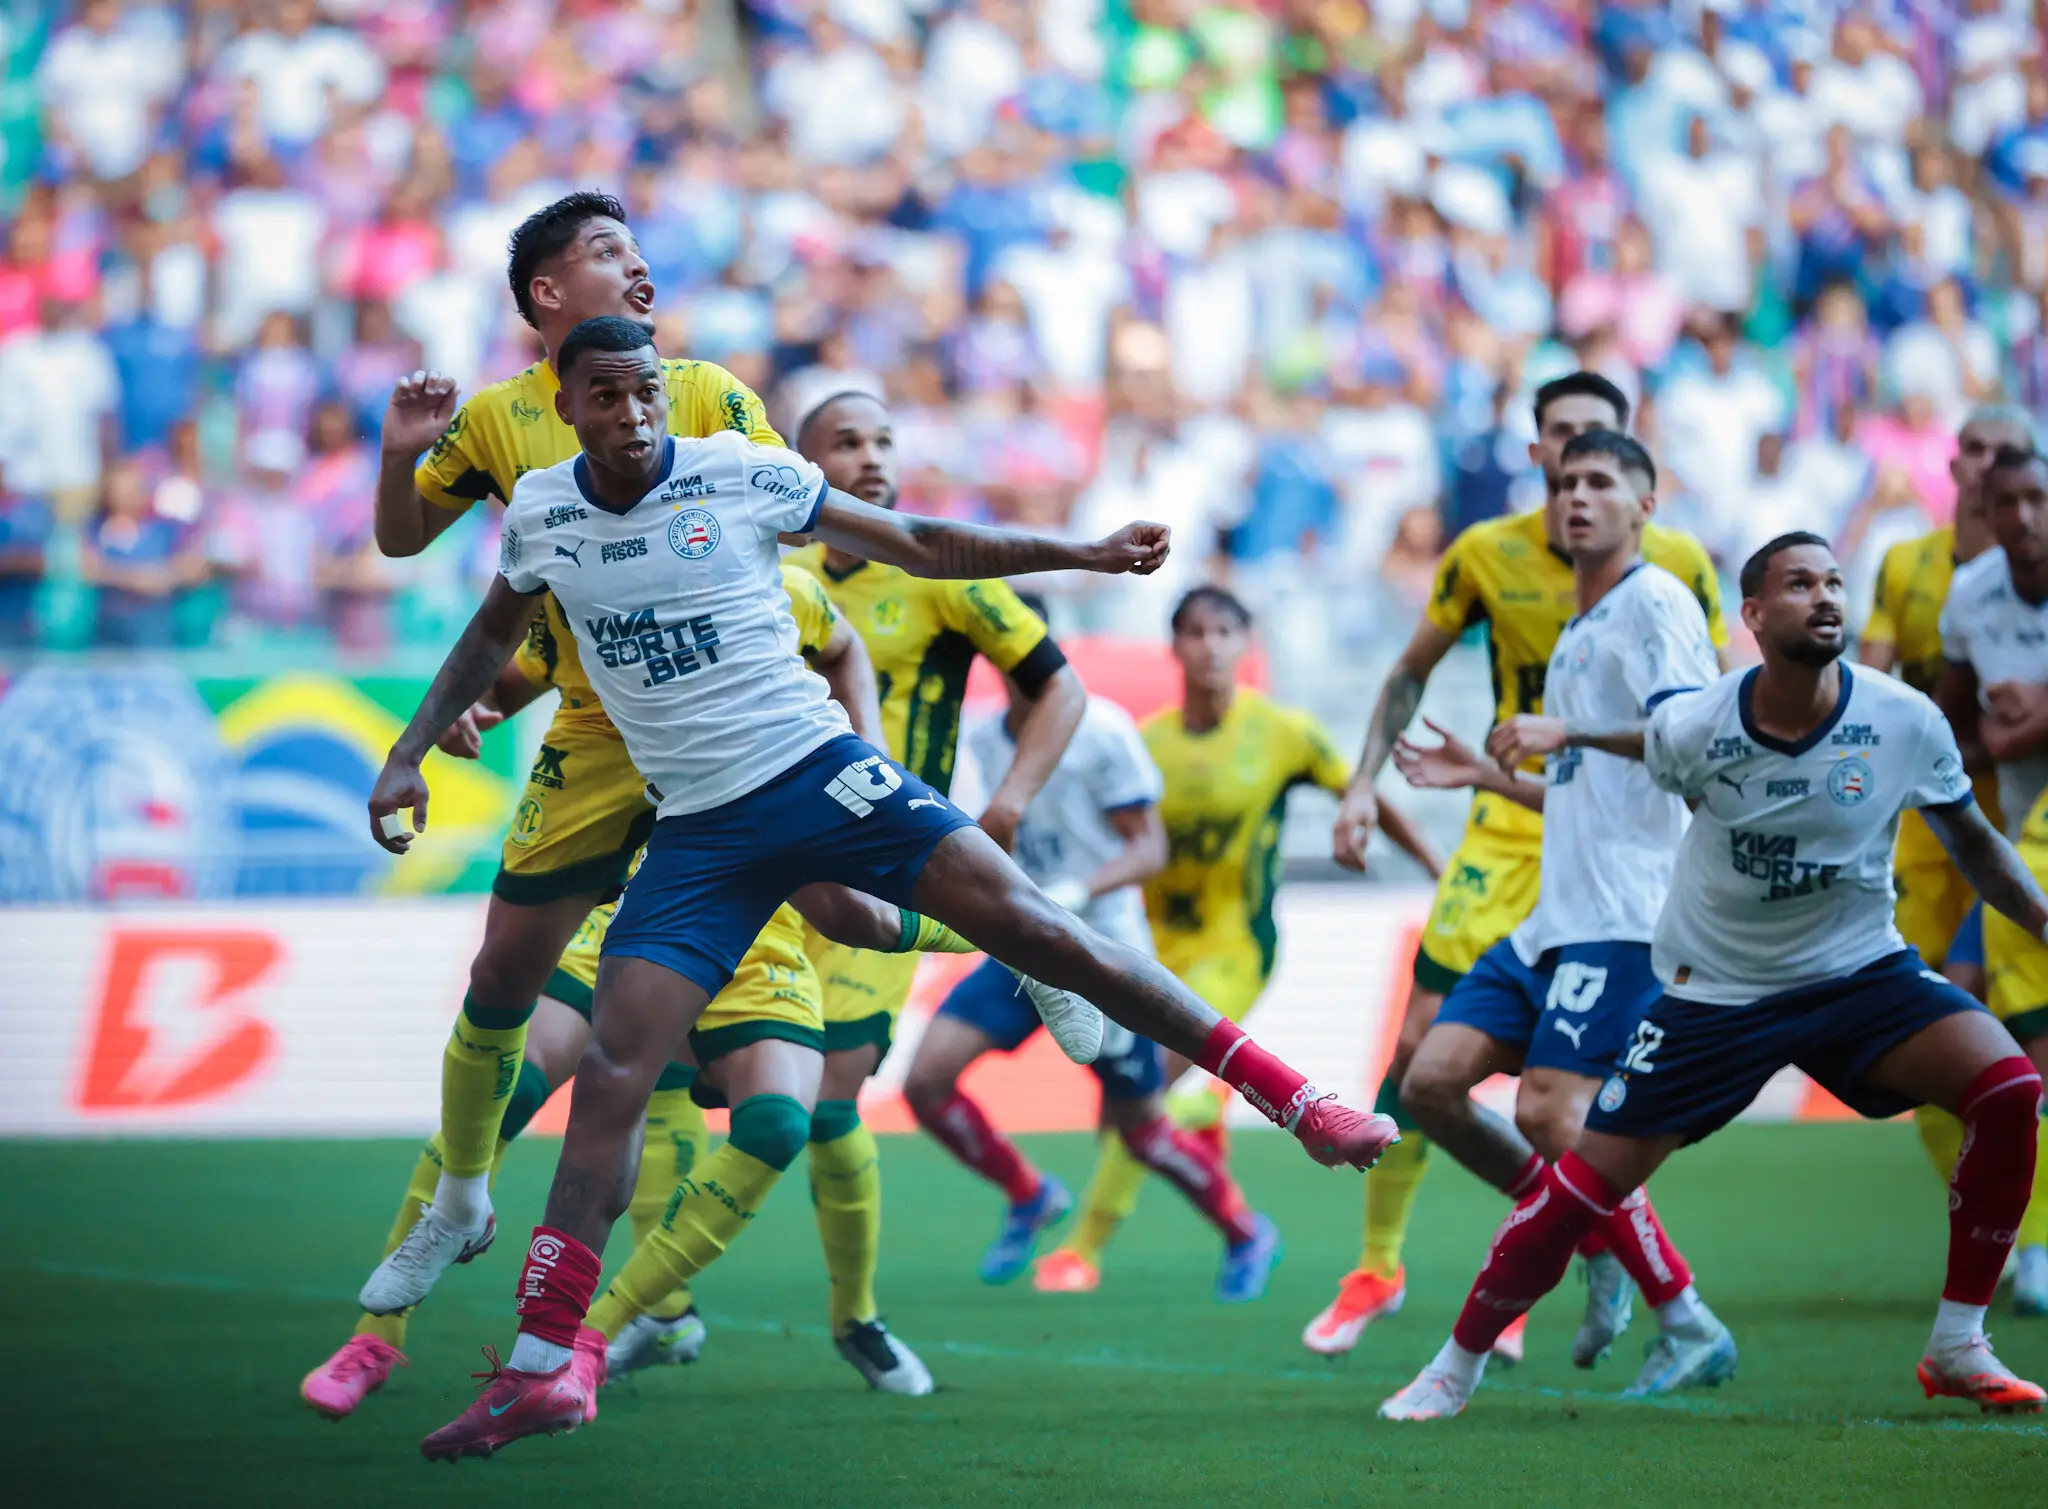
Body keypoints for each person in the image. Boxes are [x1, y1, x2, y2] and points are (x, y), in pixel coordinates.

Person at [371, 317, 1398, 1459]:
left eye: (646, 391)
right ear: (565, 408)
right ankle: (542, 1368)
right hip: (697, 833)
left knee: (1041, 926)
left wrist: (1086, 553)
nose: (633, 414)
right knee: (612, 1074)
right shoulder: (545, 516)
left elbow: (916, 538)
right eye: (605, 396)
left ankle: (1295, 1102)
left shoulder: (739, 473)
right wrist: (409, 750)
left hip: (819, 775)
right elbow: (485, 638)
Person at [320, 193, 977, 1409]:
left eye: (637, 249)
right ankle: (446, 1229)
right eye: (608, 253)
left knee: (841, 914)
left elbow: (756, 555)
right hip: (595, 733)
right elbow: (434, 559)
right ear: (546, 299)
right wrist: (398, 453)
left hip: (725, 719)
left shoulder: (711, 393)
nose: (641, 268)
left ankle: (620, 1321)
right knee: (501, 987)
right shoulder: (499, 427)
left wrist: (845, 726)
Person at [1381, 533, 2048, 1421]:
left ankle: (1959, 1340)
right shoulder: (1700, 726)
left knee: (2007, 1087)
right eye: (1800, 583)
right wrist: (1565, 736)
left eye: (1835, 582)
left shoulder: (1902, 719)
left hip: (1860, 972)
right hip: (1718, 992)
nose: (1825, 598)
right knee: (1584, 1182)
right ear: (1755, 615)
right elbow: (1640, 758)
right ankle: (1454, 1365)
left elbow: (1977, 845)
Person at [299, 558, 892, 1417]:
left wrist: (865, 746)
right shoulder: (592, 583)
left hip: (755, 926)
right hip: (621, 901)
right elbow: (505, 665)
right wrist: (465, 712)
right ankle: (374, 1336)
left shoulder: (775, 588)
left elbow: (844, 648)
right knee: (513, 1085)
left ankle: (600, 1332)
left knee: (775, 1122)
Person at [1306, 372, 1728, 1360]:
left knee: (1554, 1102)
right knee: (1423, 1066)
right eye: (1562, 456)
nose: (1577, 484)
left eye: (1599, 460)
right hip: (1527, 838)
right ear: (1536, 458)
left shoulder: (1660, 583)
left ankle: (1652, 1289)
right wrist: (1402, 779)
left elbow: (1696, 733)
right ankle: (1454, 1246)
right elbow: (1414, 671)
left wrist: (1569, 734)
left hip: (1617, 875)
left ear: (1637, 484)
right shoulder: (1512, 578)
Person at [781, 387, 1089, 1357]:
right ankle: (655, 1314)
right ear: (801, 465)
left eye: (884, 438)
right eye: (846, 442)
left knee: (827, 1101)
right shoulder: (771, 571)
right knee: (683, 1079)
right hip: (771, 864)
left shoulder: (938, 574)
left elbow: (1059, 688)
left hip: (883, 864)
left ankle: (856, 1318)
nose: (871, 457)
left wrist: (1005, 805)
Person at [1031, 585, 1439, 1294]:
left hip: (1235, 948)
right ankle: (1227, 1193)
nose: (1211, 644)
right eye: (1195, 631)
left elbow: (1362, 790)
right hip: (1150, 947)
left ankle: (1083, 1251)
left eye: (1225, 630)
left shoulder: (1283, 731)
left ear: (1246, 642)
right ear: (1175, 646)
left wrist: (1436, 869)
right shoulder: (1146, 740)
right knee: (1130, 1104)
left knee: (1142, 1090)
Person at [903, 594, 1278, 1301]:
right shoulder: (982, 738)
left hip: (1101, 954)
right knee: (924, 1081)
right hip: (1020, 949)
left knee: (1138, 1130)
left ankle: (1243, 1228)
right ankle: (1030, 1191)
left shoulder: (1100, 729)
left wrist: (1076, 890)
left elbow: (1149, 848)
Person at [1860, 407, 2041, 1304]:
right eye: (1972, 453)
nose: (1984, 471)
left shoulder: (2008, 573)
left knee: (2000, 1018)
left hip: (2014, 831)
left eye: (2004, 462)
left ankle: (2031, 1233)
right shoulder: (1919, 568)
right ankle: (2014, 1226)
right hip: (1953, 842)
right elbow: (1885, 687)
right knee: (1937, 1033)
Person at [1937, 444, 2048, 1316]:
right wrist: (1994, 731)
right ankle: (2019, 1240)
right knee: (1958, 1016)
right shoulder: (1971, 594)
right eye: (2008, 502)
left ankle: (2033, 1246)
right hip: (2019, 844)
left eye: (2038, 499)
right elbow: (1953, 726)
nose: (2025, 519)